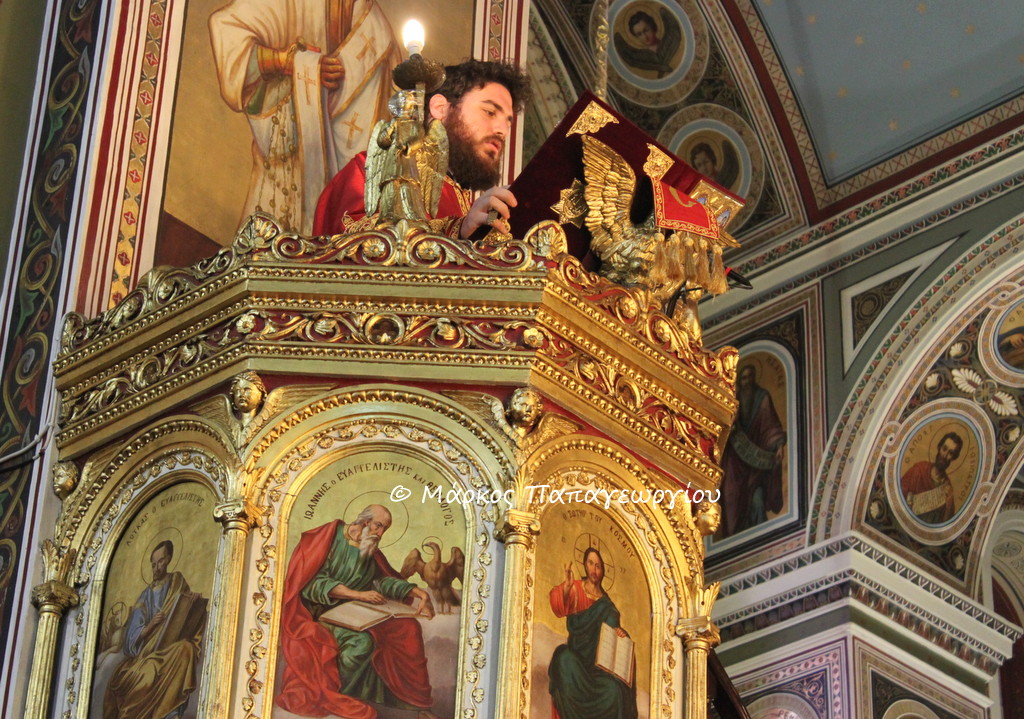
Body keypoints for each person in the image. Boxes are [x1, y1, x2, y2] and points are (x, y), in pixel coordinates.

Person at [209, 0, 401, 235]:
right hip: (288, 175)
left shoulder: (370, 17)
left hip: (348, 192)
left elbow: (396, 97)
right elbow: (227, 30)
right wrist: (288, 62)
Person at [313, 59, 531, 239]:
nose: (502, 130)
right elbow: (359, 247)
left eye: (508, 122)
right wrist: (456, 231)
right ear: (440, 108)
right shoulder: (372, 171)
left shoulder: (468, 207)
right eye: (490, 112)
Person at [276, 505, 438, 719]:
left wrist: (415, 591)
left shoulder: (367, 546)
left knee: (408, 628)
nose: (380, 533)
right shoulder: (327, 538)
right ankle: (337, 696)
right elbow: (312, 584)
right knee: (361, 643)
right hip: (319, 616)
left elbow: (380, 580)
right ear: (364, 521)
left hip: (358, 612)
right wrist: (358, 595)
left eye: (385, 529)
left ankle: (412, 703)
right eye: (379, 526)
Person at [103, 541, 205, 719]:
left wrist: (193, 601)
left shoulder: (177, 582)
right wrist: (151, 626)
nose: (156, 567)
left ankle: (169, 712)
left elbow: (185, 614)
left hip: (170, 647)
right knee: (149, 670)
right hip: (146, 654)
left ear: (169, 559)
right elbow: (130, 640)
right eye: (153, 564)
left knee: (186, 649)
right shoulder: (146, 595)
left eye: (160, 561)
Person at [548, 548, 637, 719]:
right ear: (584, 565)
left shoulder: (608, 607)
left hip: (597, 670)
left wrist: (620, 633)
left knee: (614, 690)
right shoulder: (575, 588)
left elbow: (613, 634)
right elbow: (557, 606)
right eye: (591, 563)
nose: (594, 570)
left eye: (598, 566)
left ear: (603, 571)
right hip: (576, 659)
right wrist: (566, 588)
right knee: (563, 658)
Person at [719, 365, 787, 538]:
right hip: (734, 464)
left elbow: (771, 425)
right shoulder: (734, 401)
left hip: (756, 468)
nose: (747, 381)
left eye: (750, 377)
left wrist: (779, 446)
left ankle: (762, 538)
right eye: (743, 378)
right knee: (731, 498)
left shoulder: (762, 398)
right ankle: (734, 538)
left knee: (757, 500)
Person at [901, 432, 964, 523]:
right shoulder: (919, 469)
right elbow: (899, 492)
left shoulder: (947, 490)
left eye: (950, 453)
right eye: (944, 449)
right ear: (939, 448)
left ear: (953, 458)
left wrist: (948, 508)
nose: (945, 455)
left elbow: (943, 526)